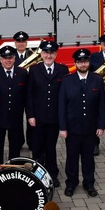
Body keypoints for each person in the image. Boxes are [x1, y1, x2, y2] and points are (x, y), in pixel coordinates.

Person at [58, 49, 105, 197]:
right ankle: (71, 183)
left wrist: (101, 125)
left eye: (85, 61)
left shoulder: (97, 79)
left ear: (89, 63)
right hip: (72, 128)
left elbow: (101, 105)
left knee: (88, 158)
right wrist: (63, 127)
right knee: (72, 157)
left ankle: (89, 183)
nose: (83, 64)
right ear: (75, 63)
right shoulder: (67, 80)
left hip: (90, 127)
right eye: (80, 61)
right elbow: (61, 106)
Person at [26, 39, 68, 186]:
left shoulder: (62, 70)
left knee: (51, 146)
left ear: (55, 54)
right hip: (38, 117)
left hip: (54, 116)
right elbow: (29, 94)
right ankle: (37, 174)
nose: (49, 56)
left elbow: (65, 95)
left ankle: (52, 174)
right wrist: (30, 115)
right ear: (41, 54)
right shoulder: (34, 69)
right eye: (46, 53)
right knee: (37, 147)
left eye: (51, 53)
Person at [0, 45, 29, 165]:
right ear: (0, 59)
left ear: (14, 58)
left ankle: (13, 170)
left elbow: (26, 95)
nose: (8, 60)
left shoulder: (22, 73)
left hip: (16, 117)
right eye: (5, 58)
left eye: (10, 57)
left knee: (15, 148)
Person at [13, 30, 32, 151]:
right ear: (15, 43)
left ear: (26, 43)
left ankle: (31, 141)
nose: (21, 43)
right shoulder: (10, 55)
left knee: (31, 117)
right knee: (17, 118)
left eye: (23, 41)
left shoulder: (32, 54)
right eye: (18, 41)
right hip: (16, 92)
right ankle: (18, 141)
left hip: (30, 91)